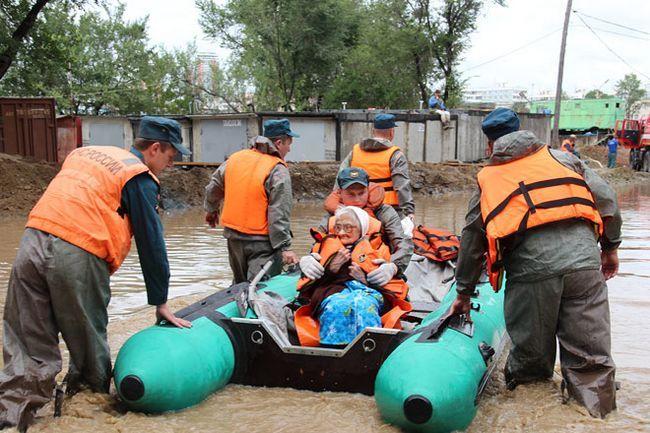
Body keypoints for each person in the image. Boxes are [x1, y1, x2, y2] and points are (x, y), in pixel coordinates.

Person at [0, 116, 193, 431]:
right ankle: (88, 417)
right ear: (155, 148)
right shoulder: (139, 176)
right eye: (172, 157)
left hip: (31, 243)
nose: (170, 164)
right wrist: (160, 302)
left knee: (26, 346)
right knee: (89, 348)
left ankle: (13, 421)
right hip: (77, 251)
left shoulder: (85, 154)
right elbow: (151, 242)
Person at [450, 107, 622, 419]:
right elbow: (607, 200)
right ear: (525, 132)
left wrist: (463, 294)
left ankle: (532, 420)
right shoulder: (564, 158)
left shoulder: (488, 177)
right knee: (592, 364)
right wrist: (610, 248)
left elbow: (473, 239)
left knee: (531, 366)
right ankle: (599, 419)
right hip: (584, 267)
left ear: (490, 145)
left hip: (532, 274)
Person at [294, 206, 411, 347]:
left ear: (361, 228)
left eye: (348, 228)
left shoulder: (378, 248)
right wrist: (330, 270)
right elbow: (309, 285)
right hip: (332, 291)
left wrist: (365, 279)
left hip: (367, 292)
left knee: (363, 305)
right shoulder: (322, 247)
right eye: (338, 227)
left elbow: (391, 285)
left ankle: (371, 348)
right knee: (336, 305)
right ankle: (332, 348)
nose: (342, 232)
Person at [204, 119, 299, 284]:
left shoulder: (234, 159)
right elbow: (279, 212)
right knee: (260, 290)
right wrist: (285, 247)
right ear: (278, 143)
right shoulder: (277, 169)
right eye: (288, 144)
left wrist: (211, 210)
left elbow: (213, 187)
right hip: (262, 244)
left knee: (239, 287)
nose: (289, 149)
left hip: (233, 239)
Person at [302, 167, 413, 286]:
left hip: (375, 269)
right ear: (340, 193)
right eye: (351, 194)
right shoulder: (332, 216)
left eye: (362, 193)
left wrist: (392, 266)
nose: (357, 200)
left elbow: (403, 243)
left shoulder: (384, 212)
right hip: (339, 270)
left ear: (368, 190)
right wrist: (308, 259)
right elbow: (318, 245)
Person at [338, 114, 415, 229]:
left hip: (359, 210)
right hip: (389, 211)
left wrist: (339, 206)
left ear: (373, 131)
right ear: (391, 132)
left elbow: (339, 179)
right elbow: (402, 186)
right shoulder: (396, 155)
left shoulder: (355, 151)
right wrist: (409, 212)